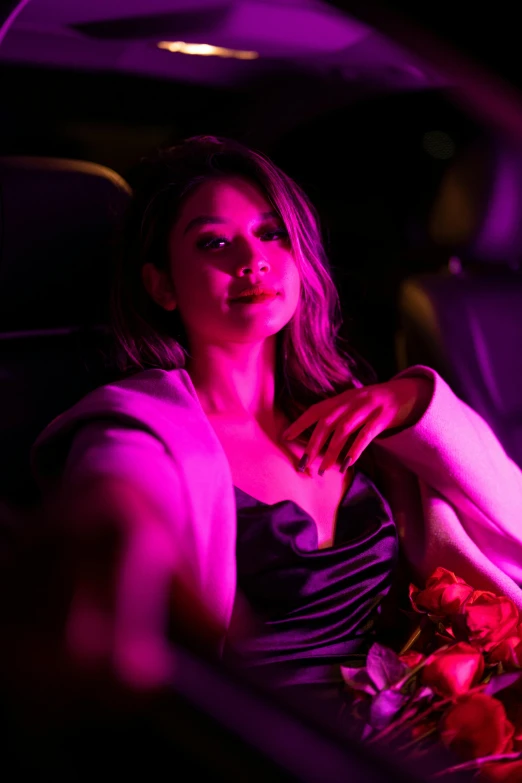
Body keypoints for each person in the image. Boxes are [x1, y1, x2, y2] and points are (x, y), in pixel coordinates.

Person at [30, 135, 522, 714]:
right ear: (161, 284)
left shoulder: (357, 415)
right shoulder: (143, 424)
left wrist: (419, 403)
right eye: (214, 242)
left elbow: (508, 520)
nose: (252, 259)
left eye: (271, 234)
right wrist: (112, 513)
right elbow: (115, 483)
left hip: (404, 729)